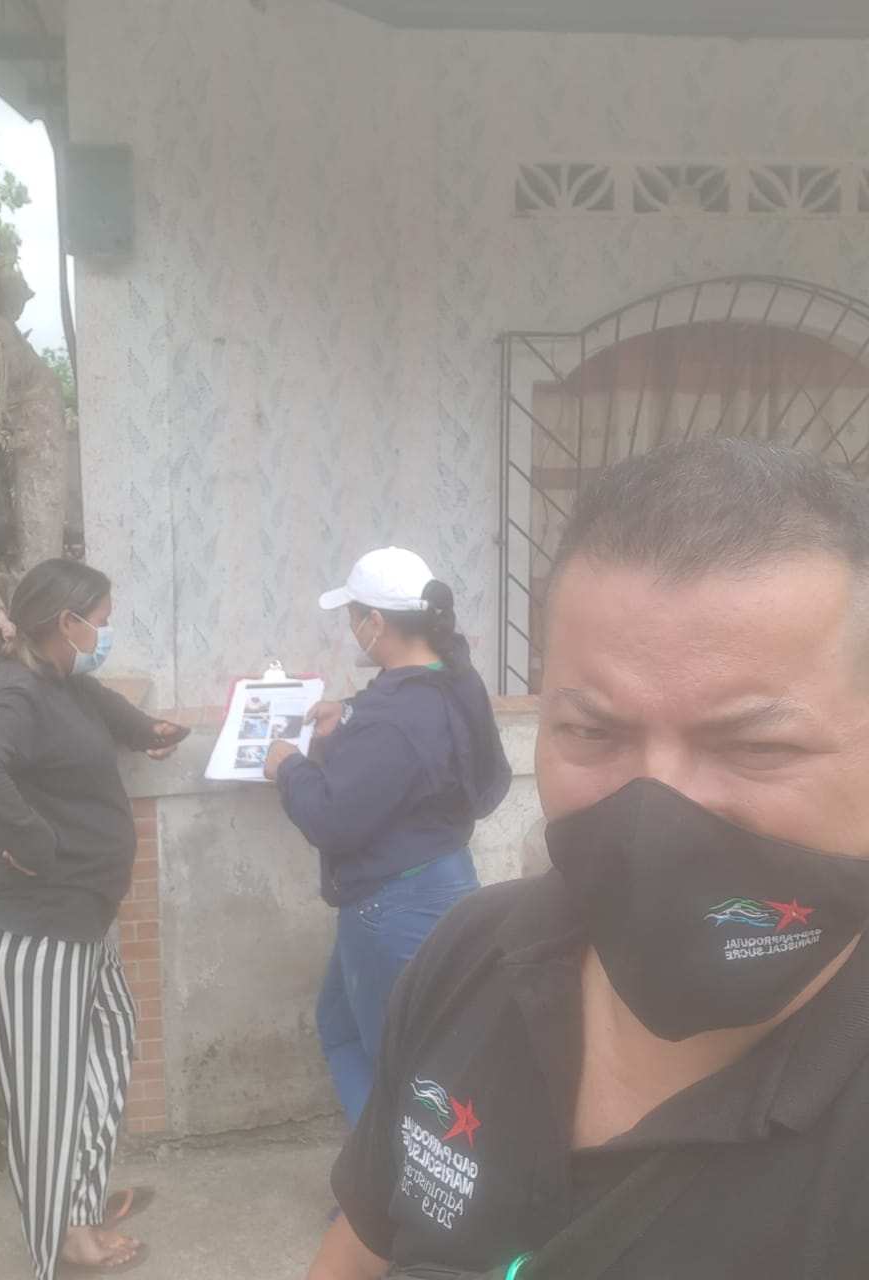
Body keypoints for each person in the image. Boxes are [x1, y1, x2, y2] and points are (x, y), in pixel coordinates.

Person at [306, 440, 869, 1280]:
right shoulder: (470, 953)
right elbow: (356, 1256)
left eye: (754, 745)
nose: (656, 809)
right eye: (592, 731)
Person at [0, 559, 187, 1279]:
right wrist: (35, 843)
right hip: (38, 930)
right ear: (66, 622)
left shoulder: (58, 679)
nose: (106, 634)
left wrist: (146, 729)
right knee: (47, 1097)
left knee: (111, 1046)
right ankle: (59, 1242)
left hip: (83, 920)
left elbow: (97, 705)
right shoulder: (14, 692)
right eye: (101, 622)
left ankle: (77, 1200)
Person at [265, 546, 511, 1127]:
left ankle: (399, 1174)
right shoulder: (453, 674)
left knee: (404, 1063)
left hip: (393, 905)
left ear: (375, 622)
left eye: (353, 616)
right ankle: (373, 1164)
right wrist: (347, 713)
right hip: (443, 878)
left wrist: (288, 767)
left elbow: (332, 821)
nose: (351, 627)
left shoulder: (393, 720)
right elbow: (422, 739)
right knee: (340, 1026)